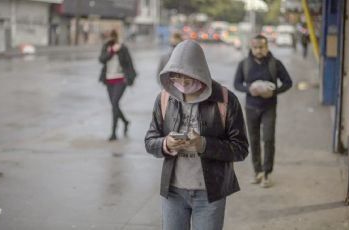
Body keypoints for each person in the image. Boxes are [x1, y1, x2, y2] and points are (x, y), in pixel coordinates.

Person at [145, 40, 249, 230]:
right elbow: (150, 141)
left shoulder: (225, 100)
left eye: (188, 79)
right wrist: (165, 144)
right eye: (176, 78)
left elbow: (241, 149)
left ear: (200, 72)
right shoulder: (165, 98)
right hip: (173, 192)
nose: (182, 84)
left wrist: (203, 145)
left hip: (209, 194)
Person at [234, 34, 292, 188]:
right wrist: (249, 90)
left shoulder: (275, 64)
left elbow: (288, 82)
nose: (259, 50)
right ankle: (257, 171)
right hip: (251, 107)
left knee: (268, 139)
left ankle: (267, 173)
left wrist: (273, 92)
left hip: (269, 107)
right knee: (253, 140)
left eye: (262, 47)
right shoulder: (244, 64)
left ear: (267, 47)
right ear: (251, 48)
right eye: (256, 47)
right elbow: (237, 84)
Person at [98, 30, 137, 141]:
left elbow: (129, 63)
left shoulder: (123, 48)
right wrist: (111, 51)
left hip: (121, 80)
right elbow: (101, 60)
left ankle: (113, 133)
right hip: (109, 81)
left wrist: (129, 79)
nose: (111, 39)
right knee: (114, 105)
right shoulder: (106, 47)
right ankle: (125, 122)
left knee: (115, 103)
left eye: (113, 37)